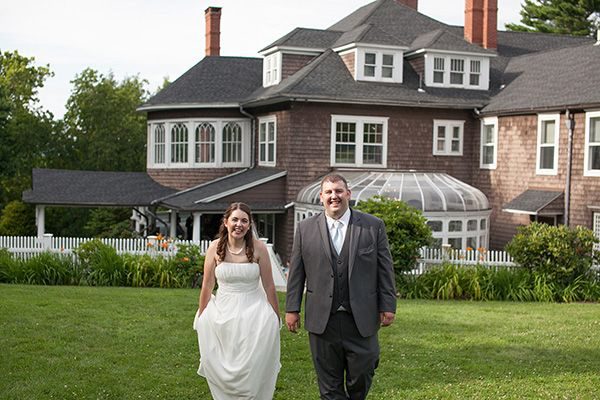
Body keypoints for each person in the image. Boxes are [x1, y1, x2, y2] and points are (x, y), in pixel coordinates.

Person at [285, 173, 397, 400]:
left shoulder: (372, 226)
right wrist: (292, 308)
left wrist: (388, 305)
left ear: (348, 194)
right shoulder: (305, 229)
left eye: (338, 191)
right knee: (329, 384)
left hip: (361, 317)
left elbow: (385, 270)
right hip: (322, 319)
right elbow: (297, 272)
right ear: (321, 197)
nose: (333, 196)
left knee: (363, 372)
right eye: (328, 192)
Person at [193, 202, 281, 399]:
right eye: (235, 220)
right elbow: (207, 285)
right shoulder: (215, 248)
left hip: (254, 312)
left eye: (244, 221)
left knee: (252, 367)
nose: (239, 224)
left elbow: (269, 286)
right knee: (223, 365)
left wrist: (276, 317)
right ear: (226, 222)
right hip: (223, 312)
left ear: (249, 225)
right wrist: (202, 314)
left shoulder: (258, 248)